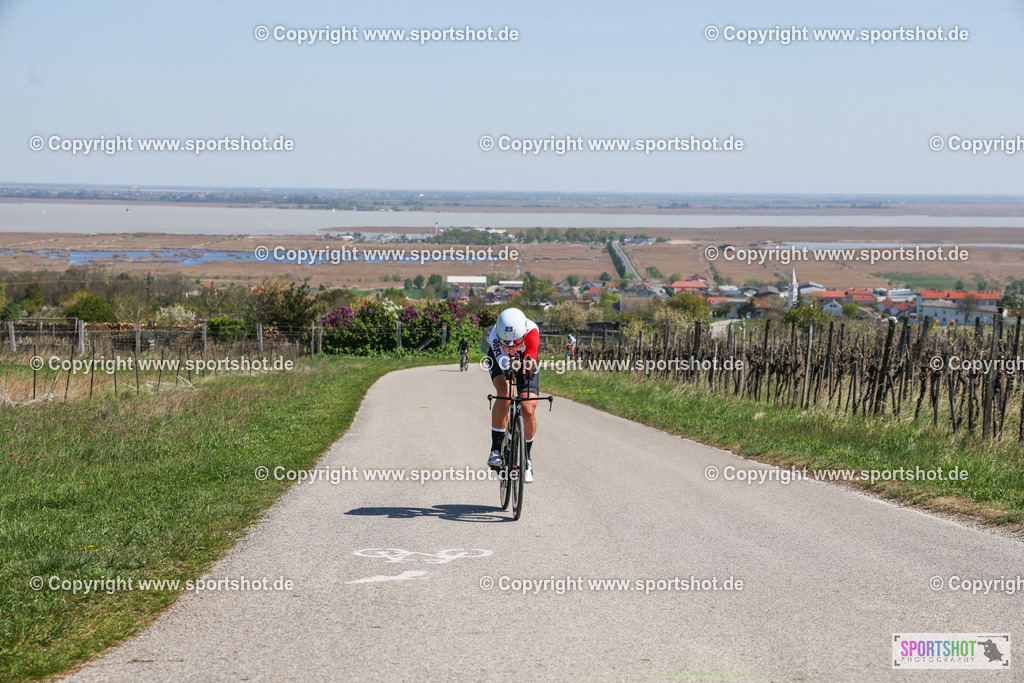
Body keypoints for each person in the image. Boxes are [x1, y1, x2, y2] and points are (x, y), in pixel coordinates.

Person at [485, 307, 540, 483]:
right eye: (505, 342)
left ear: (522, 334)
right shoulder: (494, 334)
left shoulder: (532, 330)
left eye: (515, 341)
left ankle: (527, 458)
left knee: (528, 409)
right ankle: (495, 449)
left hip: (525, 357)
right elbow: (502, 360)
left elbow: (531, 354)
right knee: (504, 393)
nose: (510, 346)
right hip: (499, 359)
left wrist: (527, 364)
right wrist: (509, 362)